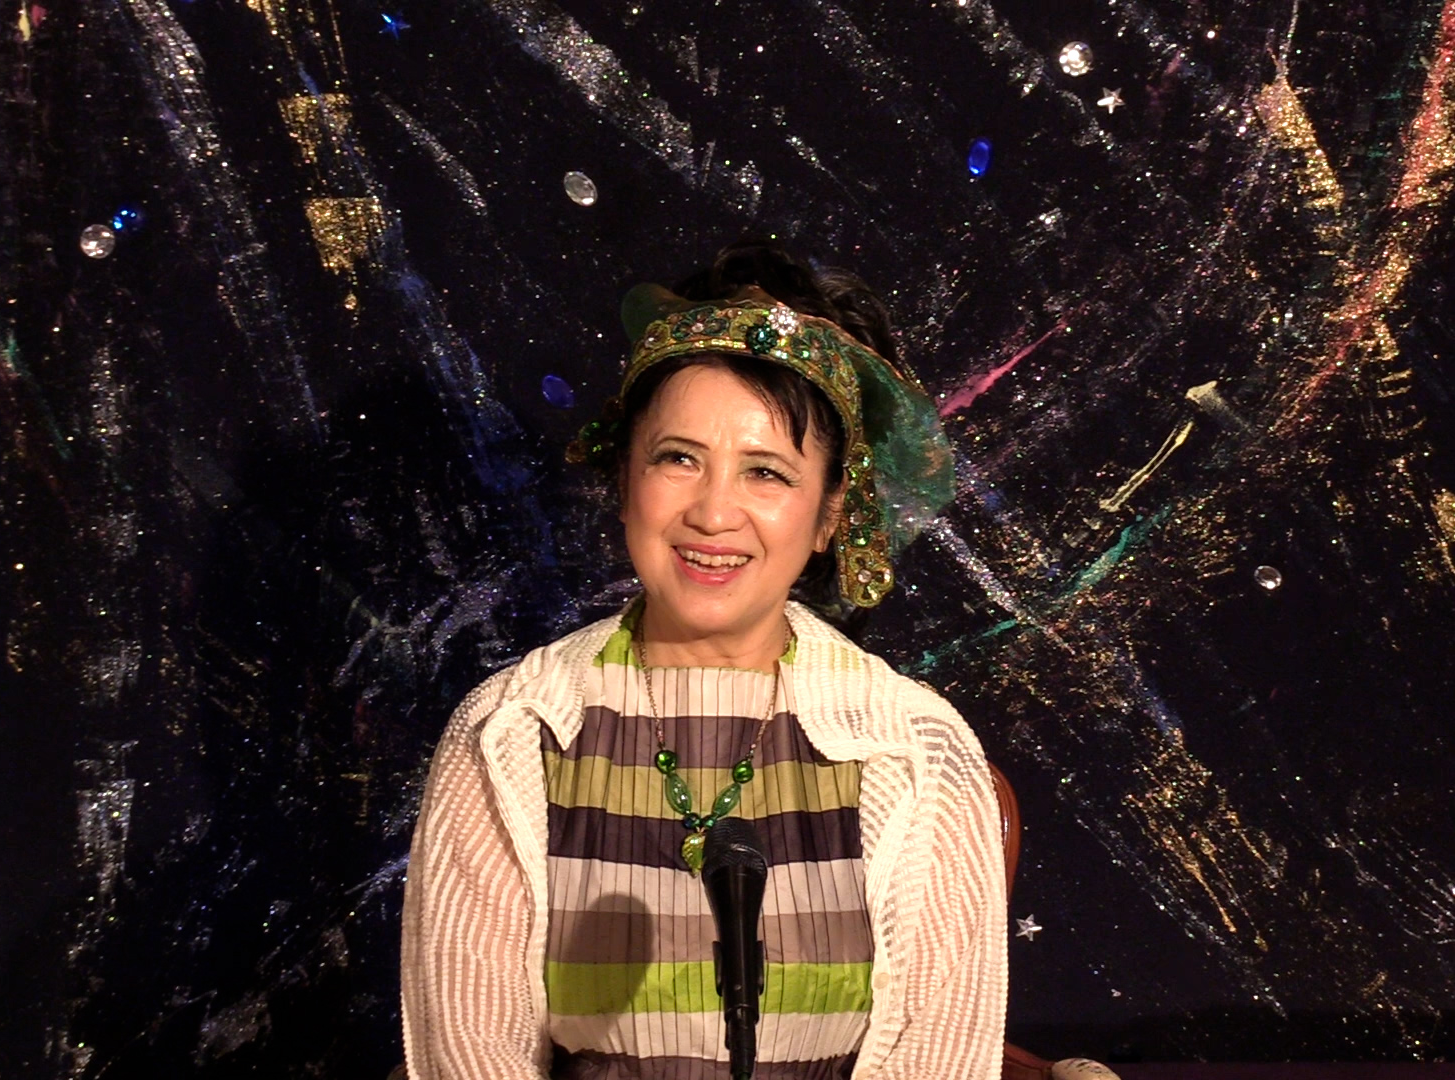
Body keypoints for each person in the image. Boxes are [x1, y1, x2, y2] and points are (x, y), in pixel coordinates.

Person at [399, 240, 1006, 1079]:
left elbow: (940, 1062)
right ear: (625, 478)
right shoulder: (510, 733)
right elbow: (472, 1059)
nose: (715, 513)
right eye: (679, 458)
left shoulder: (919, 752)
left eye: (767, 473)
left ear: (831, 514)